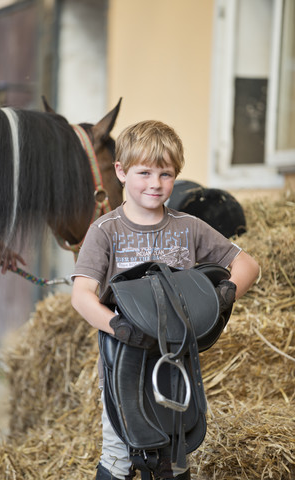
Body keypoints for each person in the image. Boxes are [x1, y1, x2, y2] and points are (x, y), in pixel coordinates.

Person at [71, 120, 259, 480]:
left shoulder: (188, 227)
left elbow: (247, 264)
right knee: (119, 455)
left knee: (174, 455)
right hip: (123, 361)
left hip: (176, 361)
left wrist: (223, 296)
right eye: (144, 172)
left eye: (166, 174)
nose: (155, 184)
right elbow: (81, 295)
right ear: (121, 172)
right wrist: (118, 327)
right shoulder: (105, 231)